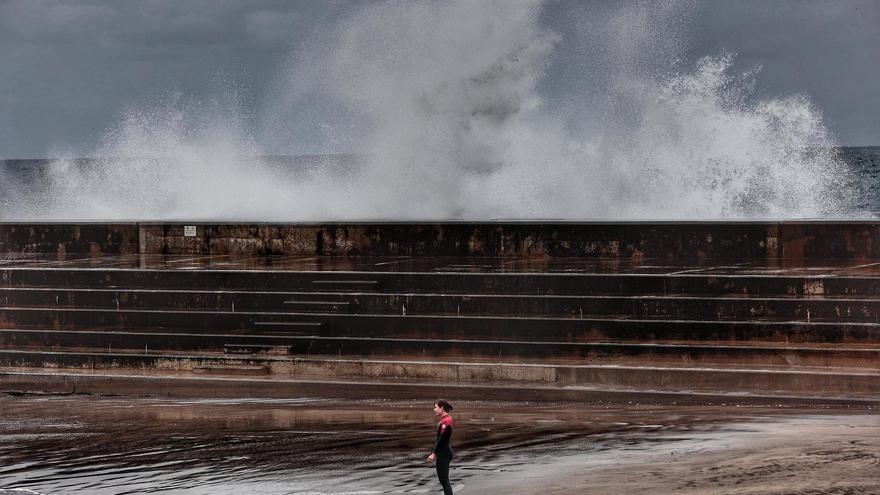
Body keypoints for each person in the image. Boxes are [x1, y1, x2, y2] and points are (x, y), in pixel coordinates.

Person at [427, 399, 454, 495]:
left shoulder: (446, 422)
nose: (434, 409)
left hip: (444, 453)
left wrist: (433, 454)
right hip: (444, 452)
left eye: (435, 407)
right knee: (444, 480)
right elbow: (440, 439)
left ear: (441, 408)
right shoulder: (445, 420)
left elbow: (442, 440)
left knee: (444, 481)